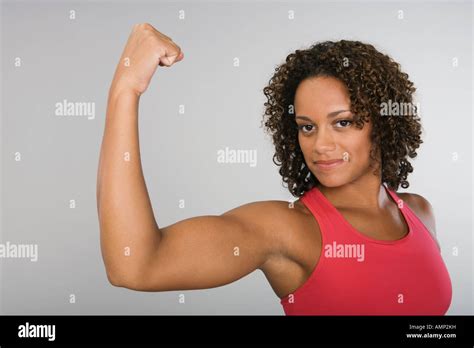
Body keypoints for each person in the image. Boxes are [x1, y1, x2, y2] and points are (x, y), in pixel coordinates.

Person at [97, 23, 452, 315]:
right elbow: (135, 264)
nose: (320, 145)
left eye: (342, 123)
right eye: (307, 126)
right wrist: (125, 90)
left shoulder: (419, 212)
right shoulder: (288, 229)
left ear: (383, 124)